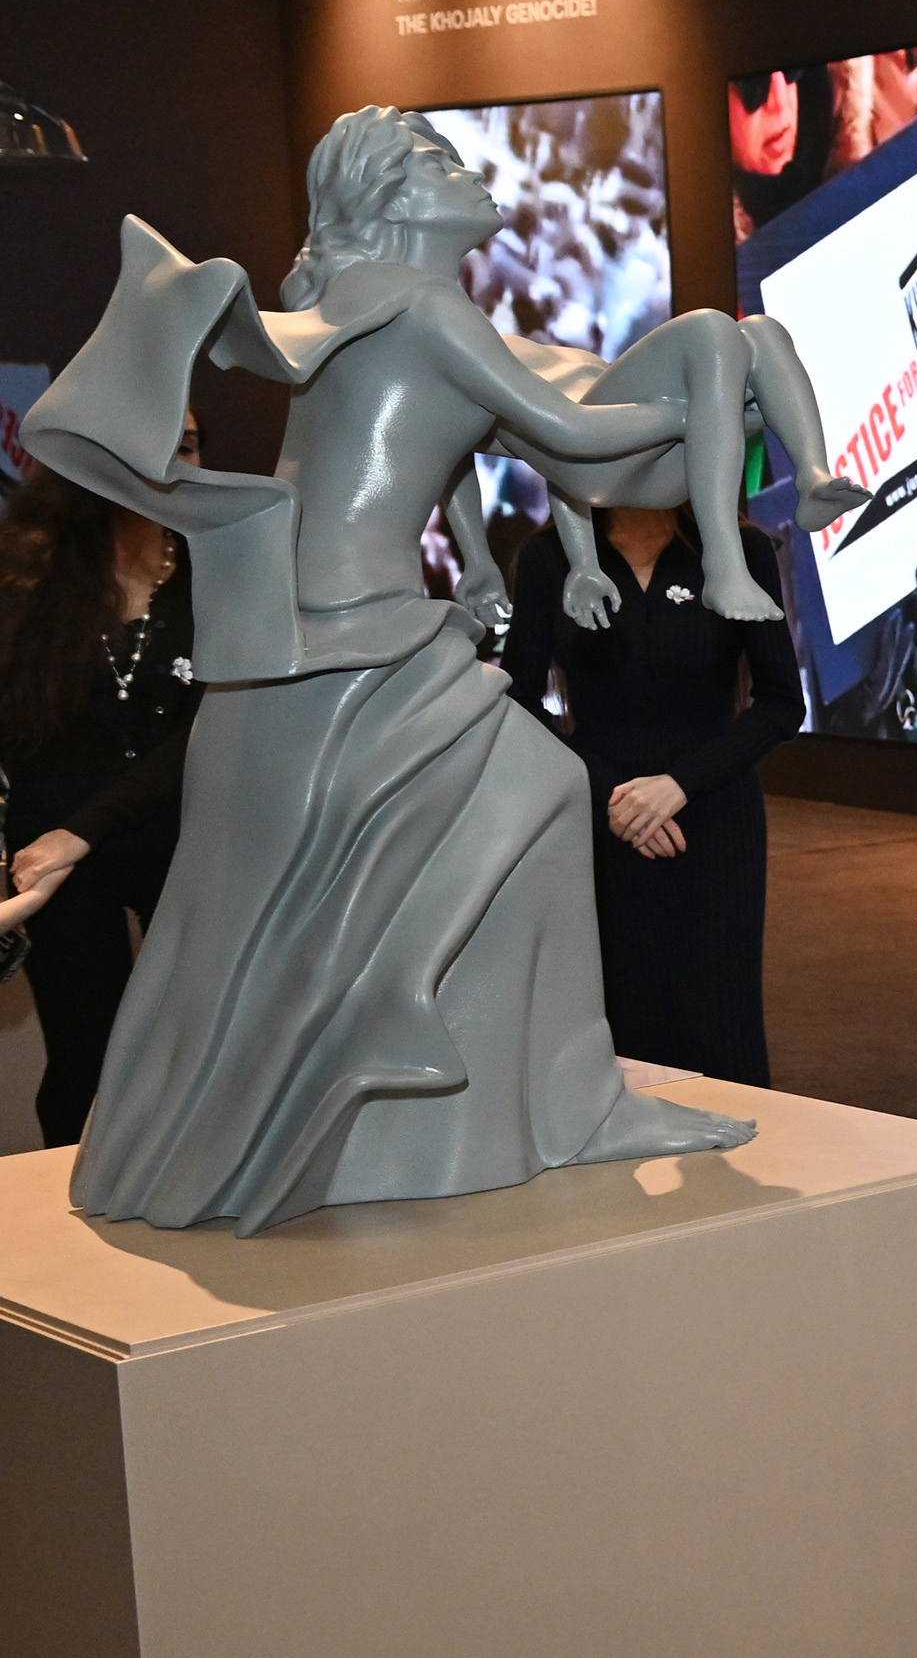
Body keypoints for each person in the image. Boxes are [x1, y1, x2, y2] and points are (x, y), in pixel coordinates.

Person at [23, 121, 756, 1233]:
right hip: (353, 634)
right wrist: (712, 395)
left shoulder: (361, 303)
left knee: (494, 812)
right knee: (489, 816)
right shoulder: (424, 304)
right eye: (444, 161)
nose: (474, 174)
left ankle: (535, 1095)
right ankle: (536, 1091)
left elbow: (450, 445)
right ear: (398, 196)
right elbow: (569, 433)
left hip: (313, 625)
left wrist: (480, 561)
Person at [503, 501, 802, 1088]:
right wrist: (609, 795)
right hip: (598, 821)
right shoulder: (550, 556)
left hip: (714, 819)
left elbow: (782, 702)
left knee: (721, 1023)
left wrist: (680, 784)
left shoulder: (738, 549)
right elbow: (519, 703)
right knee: (616, 1019)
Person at [0, 460, 200, 1144]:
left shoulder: (215, 562)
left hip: (181, 829)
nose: (173, 458)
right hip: (51, 845)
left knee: (199, 1048)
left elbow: (213, 727)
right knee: (84, 1063)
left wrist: (82, 831)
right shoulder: (27, 572)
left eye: (190, 442)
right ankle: (72, 1204)